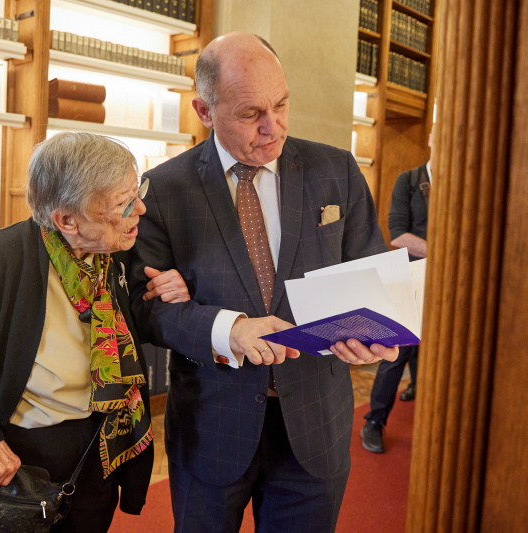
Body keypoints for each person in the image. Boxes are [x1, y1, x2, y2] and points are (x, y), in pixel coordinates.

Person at [129, 32, 399, 533]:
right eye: (251, 114)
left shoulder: (335, 170)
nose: (273, 128)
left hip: (316, 424)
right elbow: (142, 308)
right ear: (204, 111)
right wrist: (223, 329)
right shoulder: (162, 190)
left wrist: (376, 333)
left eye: (281, 105)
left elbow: (369, 271)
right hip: (212, 428)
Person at [0, 132, 189, 533]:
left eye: (137, 190)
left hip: (96, 450)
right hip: (17, 457)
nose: (139, 207)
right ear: (66, 220)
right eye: (122, 203)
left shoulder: (115, 251)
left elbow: (129, 327)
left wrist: (163, 293)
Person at [360, 128, 432, 454]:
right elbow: (399, 236)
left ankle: (418, 388)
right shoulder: (409, 180)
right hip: (409, 277)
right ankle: (374, 422)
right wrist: (448, 255)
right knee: (396, 352)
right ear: (432, 138)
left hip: (445, 285)